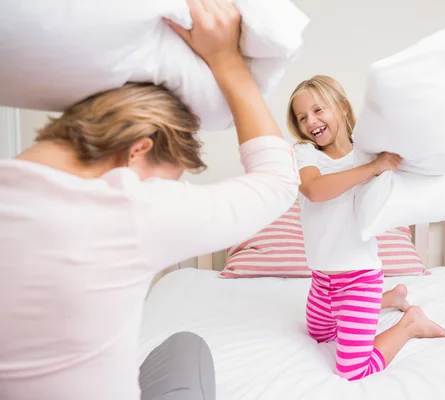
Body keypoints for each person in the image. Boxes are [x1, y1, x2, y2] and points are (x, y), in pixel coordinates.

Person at [0, 0, 299, 398]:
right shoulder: (127, 211)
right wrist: (227, 61)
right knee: (189, 351)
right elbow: (278, 180)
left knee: (183, 346)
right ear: (137, 151)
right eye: (167, 183)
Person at [286, 75, 445, 381]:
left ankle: (410, 322)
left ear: (343, 107)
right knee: (320, 335)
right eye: (303, 117)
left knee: (352, 370)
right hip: (322, 281)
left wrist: (436, 170)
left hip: (359, 278)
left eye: (319, 110)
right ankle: (390, 299)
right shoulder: (305, 154)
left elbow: (415, 163)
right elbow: (315, 190)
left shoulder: (368, 153)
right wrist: (372, 169)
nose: (312, 121)